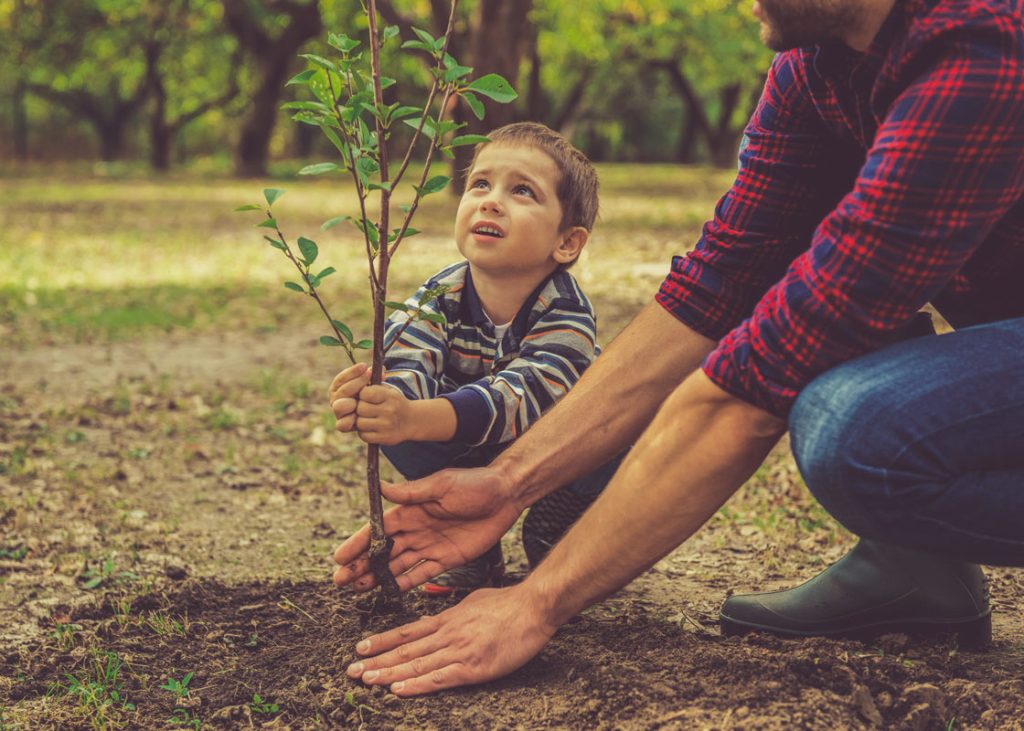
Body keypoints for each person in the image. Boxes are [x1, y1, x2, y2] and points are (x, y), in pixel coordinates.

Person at [332, 0, 1024, 697]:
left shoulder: (981, 45)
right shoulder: (812, 68)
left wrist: (536, 600)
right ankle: (919, 568)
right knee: (826, 309)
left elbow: (756, 384)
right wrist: (508, 482)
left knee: (856, 428)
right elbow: (715, 288)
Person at [328, 122, 623, 596]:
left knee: (616, 434)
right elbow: (408, 357)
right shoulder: (440, 293)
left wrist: (420, 415)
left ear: (566, 242)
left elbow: (524, 397)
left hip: (554, 448)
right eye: (480, 184)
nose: (490, 200)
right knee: (400, 430)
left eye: (522, 191)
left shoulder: (566, 310)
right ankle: (474, 549)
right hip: (468, 441)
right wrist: (383, 402)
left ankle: (565, 518)